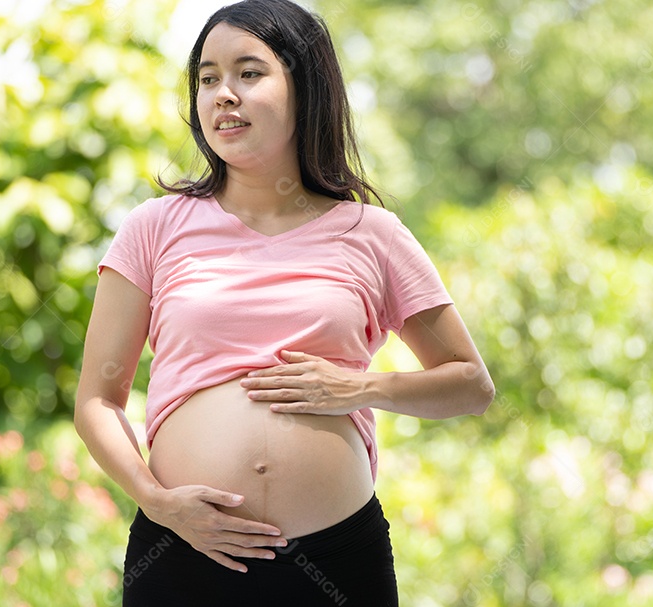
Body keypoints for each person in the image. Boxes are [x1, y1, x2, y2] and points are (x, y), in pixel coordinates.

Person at [73, 0, 494, 605]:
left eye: (249, 73)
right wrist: (157, 501)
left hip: (337, 558)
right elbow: (96, 399)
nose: (223, 95)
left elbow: (470, 385)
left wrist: (361, 388)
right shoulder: (154, 228)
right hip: (187, 549)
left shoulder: (373, 234)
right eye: (208, 78)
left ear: (306, 90)